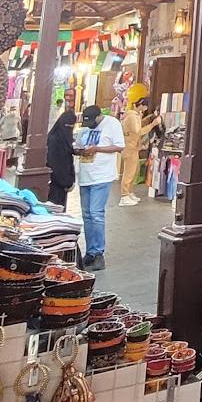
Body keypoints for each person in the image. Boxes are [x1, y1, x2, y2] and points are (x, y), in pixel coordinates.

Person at [74, 101, 125, 268]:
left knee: (96, 214)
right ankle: (90, 251)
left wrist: (97, 149)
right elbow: (78, 144)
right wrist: (79, 150)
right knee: (87, 215)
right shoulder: (85, 128)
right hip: (85, 175)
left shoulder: (112, 123)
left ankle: (98, 253)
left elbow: (119, 147)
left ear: (99, 116)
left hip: (102, 176)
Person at [118, 85, 151, 207]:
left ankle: (129, 192)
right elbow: (138, 131)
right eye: (145, 105)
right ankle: (124, 195)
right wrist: (152, 124)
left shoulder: (134, 115)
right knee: (129, 172)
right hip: (130, 147)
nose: (145, 108)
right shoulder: (132, 116)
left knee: (134, 171)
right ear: (141, 103)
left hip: (133, 147)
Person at [45, 105, 77, 207]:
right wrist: (67, 182)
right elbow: (55, 164)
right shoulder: (54, 140)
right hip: (55, 184)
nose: (69, 129)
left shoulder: (60, 137)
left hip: (61, 184)